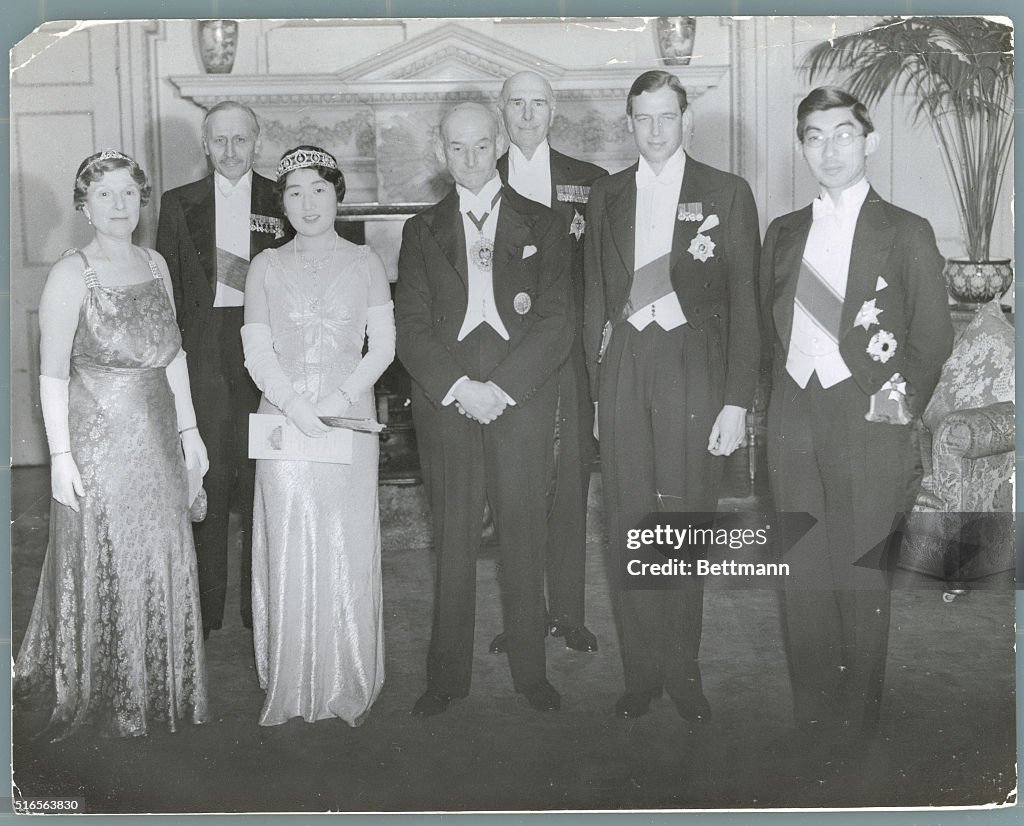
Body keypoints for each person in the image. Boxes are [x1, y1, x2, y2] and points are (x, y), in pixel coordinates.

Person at [759, 87, 953, 745]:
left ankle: (858, 720)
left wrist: (890, 410)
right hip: (794, 417)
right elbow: (770, 333)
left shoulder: (905, 230)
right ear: (803, 148)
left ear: (868, 141)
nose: (829, 149)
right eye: (814, 136)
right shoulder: (783, 232)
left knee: (858, 571)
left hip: (866, 417)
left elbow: (931, 338)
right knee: (804, 568)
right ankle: (812, 710)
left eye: (842, 134)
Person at [583, 71, 761, 720]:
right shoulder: (604, 197)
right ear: (627, 123)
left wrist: (738, 401)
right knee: (629, 524)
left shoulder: (728, 193)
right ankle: (641, 675)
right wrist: (599, 394)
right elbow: (593, 302)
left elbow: (746, 304)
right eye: (642, 119)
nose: (654, 132)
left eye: (666, 117)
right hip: (625, 369)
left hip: (694, 372)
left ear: (687, 119)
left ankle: (683, 672)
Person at [14, 150, 210, 739]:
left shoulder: (155, 263)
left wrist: (190, 432)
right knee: (109, 556)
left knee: (164, 551)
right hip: (97, 444)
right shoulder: (72, 273)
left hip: (155, 435)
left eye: (128, 193)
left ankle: (162, 686)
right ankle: (106, 690)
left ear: (142, 198)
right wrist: (60, 458)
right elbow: (51, 374)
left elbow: (172, 355)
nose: (119, 205)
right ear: (84, 205)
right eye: (105, 195)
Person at [396, 102, 574, 715]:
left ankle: (531, 672)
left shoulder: (545, 225)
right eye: (456, 148)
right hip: (448, 404)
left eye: (479, 146)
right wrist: (459, 388)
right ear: (440, 153)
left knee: (524, 536)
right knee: (453, 540)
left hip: (517, 401)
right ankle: (446, 678)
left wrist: (502, 389)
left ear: (497, 143)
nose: (469, 159)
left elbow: (557, 320)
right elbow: (411, 326)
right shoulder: (420, 231)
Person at [241, 145, 394, 726]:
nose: (308, 203)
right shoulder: (264, 266)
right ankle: (291, 681)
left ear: (337, 195)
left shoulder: (366, 262)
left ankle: (347, 677)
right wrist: (297, 407)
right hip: (283, 424)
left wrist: (331, 404)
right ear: (281, 203)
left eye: (319, 190)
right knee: (288, 543)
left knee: (345, 544)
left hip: (349, 419)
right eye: (295, 193)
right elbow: (256, 348)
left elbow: (382, 346)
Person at [156, 100, 287, 639]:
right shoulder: (177, 202)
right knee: (205, 483)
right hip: (204, 356)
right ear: (205, 146)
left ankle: (262, 616)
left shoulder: (284, 198)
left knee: (263, 484)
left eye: (240, 139)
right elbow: (169, 295)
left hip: (266, 353)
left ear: (257, 141)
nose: (230, 151)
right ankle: (205, 620)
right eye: (219, 141)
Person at [488, 70, 607, 656]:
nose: (528, 115)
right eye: (517, 104)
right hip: (510, 365)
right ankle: (521, 619)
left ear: (553, 109)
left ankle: (570, 613)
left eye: (538, 104)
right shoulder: (484, 177)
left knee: (570, 488)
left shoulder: (590, 181)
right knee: (517, 492)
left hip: (572, 363)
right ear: (501, 110)